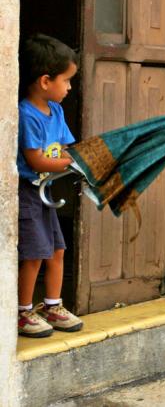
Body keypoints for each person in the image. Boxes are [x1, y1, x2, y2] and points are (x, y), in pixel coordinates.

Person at [16, 34, 83, 337]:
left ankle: (52, 306)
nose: (69, 87)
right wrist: (73, 163)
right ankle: (22, 311)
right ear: (45, 81)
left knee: (57, 250)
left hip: (46, 192)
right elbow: (37, 161)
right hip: (29, 192)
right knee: (33, 254)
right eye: (66, 80)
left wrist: (81, 157)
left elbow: (68, 146)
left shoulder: (55, 111)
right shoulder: (26, 114)